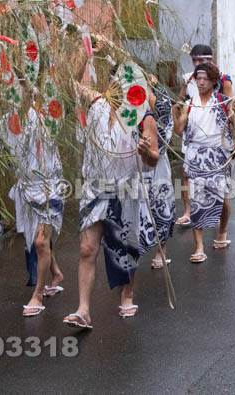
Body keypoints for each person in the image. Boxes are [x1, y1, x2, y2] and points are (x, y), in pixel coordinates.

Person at [65, 50, 160, 327]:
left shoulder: (144, 117)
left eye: (128, 84)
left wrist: (145, 152)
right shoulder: (96, 104)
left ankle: (127, 295)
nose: (120, 88)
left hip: (125, 189)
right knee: (86, 249)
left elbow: (153, 159)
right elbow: (68, 83)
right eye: (117, 82)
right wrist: (83, 48)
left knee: (125, 249)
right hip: (94, 187)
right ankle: (83, 309)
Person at [0, 80, 65, 317]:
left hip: (50, 187)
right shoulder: (6, 122)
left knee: (41, 243)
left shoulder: (47, 117)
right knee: (36, 238)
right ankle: (56, 274)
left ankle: (37, 295)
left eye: (24, 91)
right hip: (26, 191)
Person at [173, 63, 235, 262]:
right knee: (196, 201)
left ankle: (222, 231)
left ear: (213, 81)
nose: (201, 82)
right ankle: (199, 246)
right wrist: (175, 112)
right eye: (198, 79)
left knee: (223, 200)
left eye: (205, 79)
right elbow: (179, 130)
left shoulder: (222, 102)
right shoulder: (189, 103)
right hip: (196, 156)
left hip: (219, 156)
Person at [175, 44, 235, 227]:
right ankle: (189, 212)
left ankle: (220, 225)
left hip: (216, 137)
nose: (197, 63)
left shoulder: (222, 79)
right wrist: (179, 109)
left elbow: (230, 108)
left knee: (219, 187)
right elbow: (181, 99)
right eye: (194, 59)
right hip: (193, 131)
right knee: (188, 176)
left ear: (210, 60)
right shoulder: (188, 79)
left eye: (202, 59)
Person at [140, 84, 177, 269]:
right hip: (134, 162)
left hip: (158, 160)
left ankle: (160, 252)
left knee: (163, 204)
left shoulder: (160, 95)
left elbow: (167, 124)